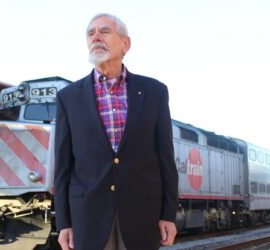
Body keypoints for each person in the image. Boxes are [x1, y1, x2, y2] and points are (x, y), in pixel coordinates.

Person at [54, 13, 178, 250]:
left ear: (125, 44)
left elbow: (166, 159)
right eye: (90, 33)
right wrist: (64, 223)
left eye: (104, 31)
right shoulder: (68, 98)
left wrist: (168, 214)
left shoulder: (154, 92)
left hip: (142, 213)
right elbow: (62, 167)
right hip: (88, 215)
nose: (95, 37)